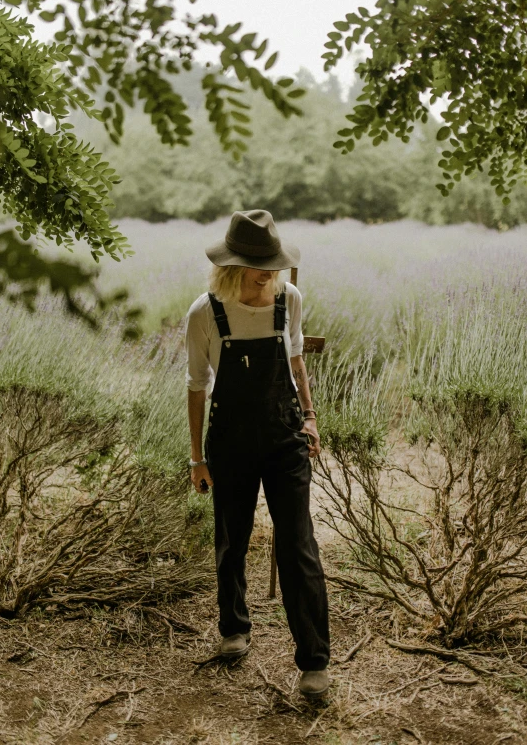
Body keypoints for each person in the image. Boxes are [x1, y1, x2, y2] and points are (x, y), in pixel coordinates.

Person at [185, 209, 330, 698]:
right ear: (232, 267)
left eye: (273, 263)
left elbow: (295, 362)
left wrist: (309, 416)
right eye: (258, 266)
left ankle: (314, 662)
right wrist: (196, 458)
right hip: (228, 441)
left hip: (285, 436)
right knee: (232, 539)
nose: (270, 274)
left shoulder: (289, 299)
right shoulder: (205, 312)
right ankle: (234, 629)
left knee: (298, 545)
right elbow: (196, 387)